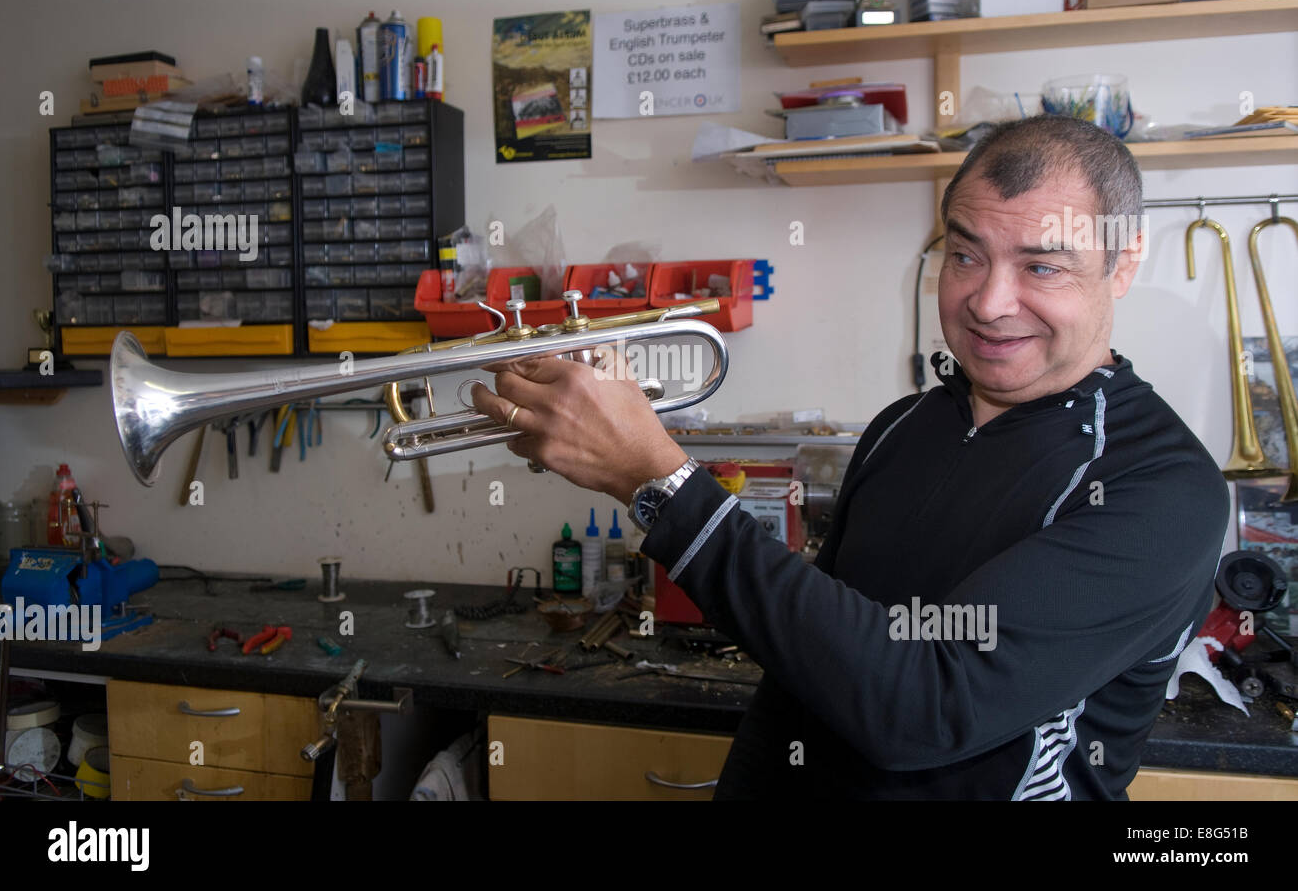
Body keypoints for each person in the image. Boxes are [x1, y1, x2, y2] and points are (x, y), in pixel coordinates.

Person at [471, 115, 1229, 799]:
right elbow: (804, 669)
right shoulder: (906, 424)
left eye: (1042, 266)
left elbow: (924, 704)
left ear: (1123, 266)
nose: (989, 301)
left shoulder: (1162, 489)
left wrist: (659, 482)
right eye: (965, 254)